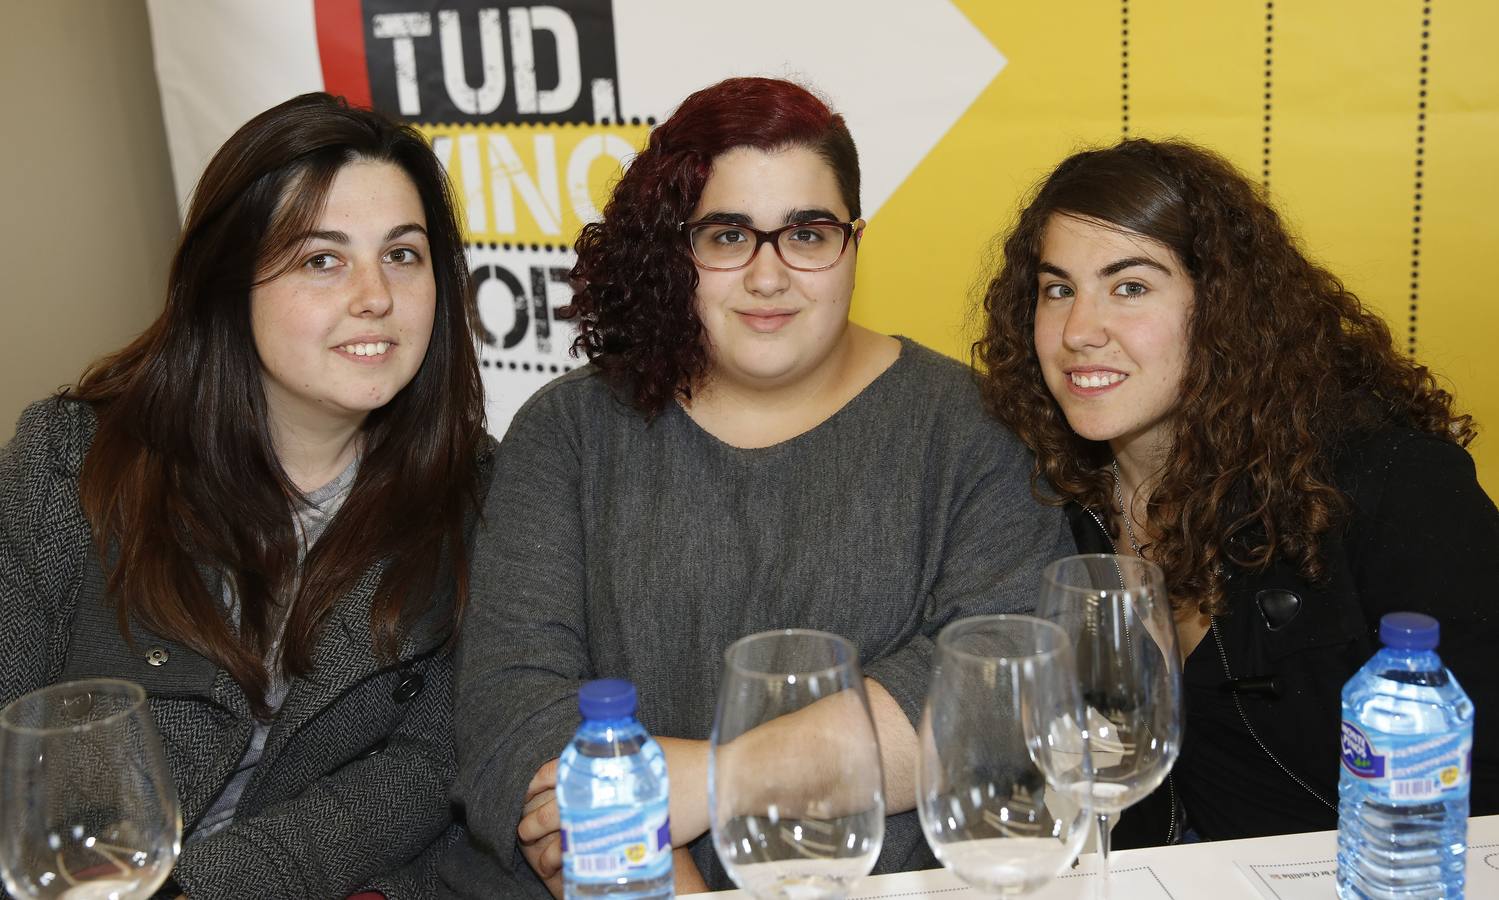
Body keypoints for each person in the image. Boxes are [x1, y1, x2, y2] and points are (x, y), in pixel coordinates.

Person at [440, 77, 1069, 896]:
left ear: (854, 240)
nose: (768, 277)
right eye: (728, 235)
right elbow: (512, 704)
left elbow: (997, 695)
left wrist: (715, 782)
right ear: (677, 250)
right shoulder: (568, 431)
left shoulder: (970, 428)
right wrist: (651, 872)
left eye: (807, 234)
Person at [0, 92, 492, 897]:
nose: (375, 294)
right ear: (228, 283)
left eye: (402, 254)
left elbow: (430, 764)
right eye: (321, 259)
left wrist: (210, 888)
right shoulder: (71, 460)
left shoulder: (473, 494)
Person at [974, 137, 1499, 846]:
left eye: (1129, 287)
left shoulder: (1390, 486)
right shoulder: (1040, 496)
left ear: (1222, 310)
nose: (1077, 331)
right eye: (1057, 289)